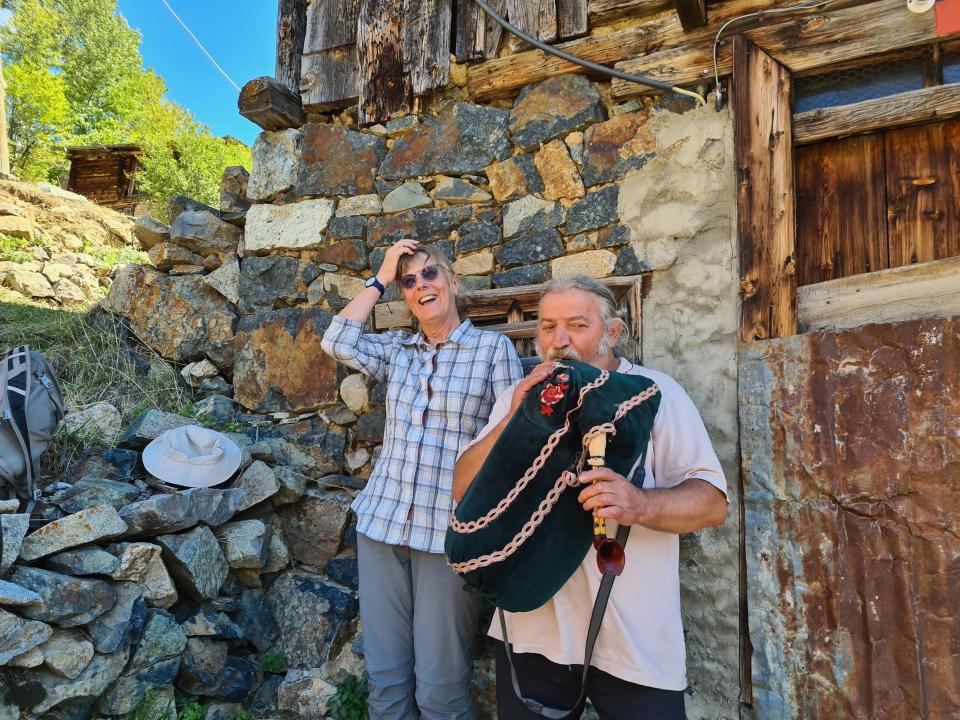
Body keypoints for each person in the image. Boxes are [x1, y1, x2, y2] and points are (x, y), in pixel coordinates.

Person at [453, 275, 728, 720]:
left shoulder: (655, 395)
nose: (558, 341)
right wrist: (513, 415)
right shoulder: (522, 395)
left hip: (633, 643)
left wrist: (640, 503)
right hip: (532, 631)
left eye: (576, 326)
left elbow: (713, 503)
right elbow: (463, 488)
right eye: (546, 327)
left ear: (613, 332)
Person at [321, 239, 523, 720]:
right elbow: (337, 340)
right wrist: (382, 276)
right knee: (386, 683)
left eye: (431, 275)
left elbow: (511, 441)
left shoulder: (493, 350)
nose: (421, 286)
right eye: (410, 282)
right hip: (382, 527)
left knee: (440, 688)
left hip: (448, 538)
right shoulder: (398, 350)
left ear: (454, 282)